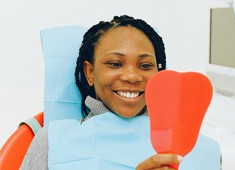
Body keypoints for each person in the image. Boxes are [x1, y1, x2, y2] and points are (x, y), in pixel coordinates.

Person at [21, 15, 183, 170]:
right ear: (90, 72)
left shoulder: (182, 144)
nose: (132, 76)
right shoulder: (51, 142)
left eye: (146, 66)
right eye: (115, 64)